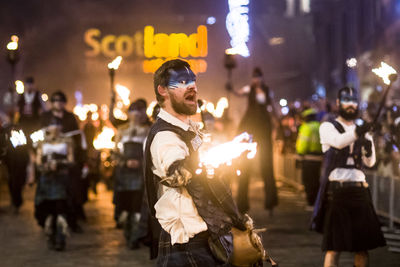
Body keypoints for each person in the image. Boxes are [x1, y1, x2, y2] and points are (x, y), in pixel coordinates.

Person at [144, 59, 252, 266]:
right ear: (163, 90)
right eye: (182, 82)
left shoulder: (189, 130)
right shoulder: (165, 136)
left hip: (204, 238)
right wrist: (206, 160)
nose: (192, 86)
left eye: (193, 81)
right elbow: (175, 172)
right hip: (188, 245)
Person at [311, 87, 386, 267]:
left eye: (354, 100)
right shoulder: (327, 126)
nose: (351, 104)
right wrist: (358, 133)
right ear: (338, 103)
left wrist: (368, 145)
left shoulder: (362, 128)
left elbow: (370, 162)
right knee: (334, 247)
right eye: (346, 100)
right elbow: (338, 142)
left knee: (362, 248)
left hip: (360, 191)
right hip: (338, 192)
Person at [41, 91, 87, 233]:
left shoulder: (70, 117)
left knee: (71, 192)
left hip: (69, 160)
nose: (58, 103)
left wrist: (81, 161)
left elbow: (77, 140)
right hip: (50, 160)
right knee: (50, 195)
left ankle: (72, 221)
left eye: (61, 101)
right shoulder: (45, 117)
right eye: (55, 101)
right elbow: (40, 139)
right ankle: (51, 224)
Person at [237, 67, 278, 214]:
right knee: (244, 165)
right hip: (251, 127)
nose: (256, 80)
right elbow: (239, 93)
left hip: (263, 128)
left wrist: (276, 122)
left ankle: (271, 202)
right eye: (255, 77)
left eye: (258, 77)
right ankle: (242, 204)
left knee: (267, 165)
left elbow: (272, 108)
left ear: (262, 78)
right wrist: (231, 89)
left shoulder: (267, 91)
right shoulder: (249, 89)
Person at [112, 99, 151, 249]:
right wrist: (124, 162)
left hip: (140, 173)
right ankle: (128, 233)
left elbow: (151, 152)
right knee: (125, 204)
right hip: (123, 174)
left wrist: (142, 163)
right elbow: (115, 153)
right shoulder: (121, 131)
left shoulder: (148, 130)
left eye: (138, 113)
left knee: (137, 205)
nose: (135, 116)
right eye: (133, 113)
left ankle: (135, 236)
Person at [34, 123, 74, 251]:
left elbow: (71, 159)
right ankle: (50, 236)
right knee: (48, 209)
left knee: (61, 208)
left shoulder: (67, 141)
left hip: (61, 178)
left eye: (58, 125)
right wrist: (44, 167)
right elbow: (38, 160)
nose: (55, 128)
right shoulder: (42, 142)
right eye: (52, 125)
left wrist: (59, 163)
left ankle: (61, 239)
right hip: (47, 179)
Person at [295, 108, 322, 208]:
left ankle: (311, 202)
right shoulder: (319, 126)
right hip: (318, 158)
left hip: (308, 158)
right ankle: (316, 201)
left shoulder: (306, 127)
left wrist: (299, 155)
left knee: (308, 181)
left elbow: (302, 144)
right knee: (316, 180)